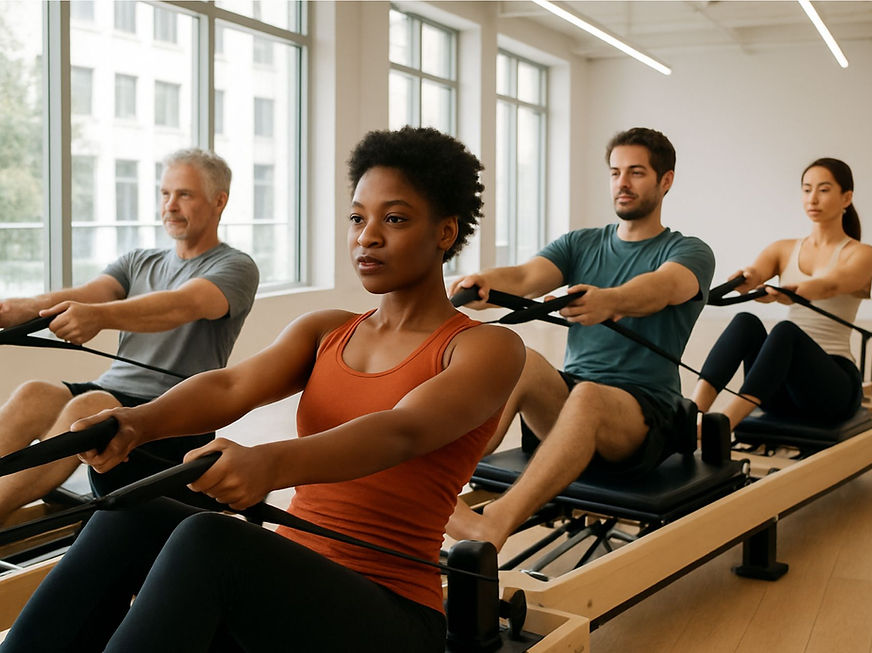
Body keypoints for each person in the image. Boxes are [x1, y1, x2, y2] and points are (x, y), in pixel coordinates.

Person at [0, 127, 524, 653]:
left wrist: (268, 464)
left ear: (445, 232)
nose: (367, 237)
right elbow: (232, 385)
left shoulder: (485, 347)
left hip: (393, 610)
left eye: (395, 219)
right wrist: (137, 423)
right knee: (133, 512)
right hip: (289, 582)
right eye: (356, 218)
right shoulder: (325, 330)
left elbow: (401, 431)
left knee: (211, 539)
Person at [446, 127, 715, 552]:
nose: (622, 183)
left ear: (666, 181)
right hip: (570, 403)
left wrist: (611, 300)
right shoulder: (581, 243)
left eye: (636, 172)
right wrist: (484, 282)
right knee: (518, 357)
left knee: (589, 395)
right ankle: (436, 480)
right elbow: (525, 277)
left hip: (646, 414)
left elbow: (665, 287)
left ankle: (494, 523)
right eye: (615, 172)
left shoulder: (689, 251)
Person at [0, 148, 259, 520]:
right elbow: (87, 295)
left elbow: (181, 305)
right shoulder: (138, 261)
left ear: (219, 201)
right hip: (115, 392)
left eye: (184, 194)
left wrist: (98, 316)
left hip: (172, 417)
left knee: (90, 407)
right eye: (165, 193)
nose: (170, 205)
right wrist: (16, 309)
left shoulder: (235, 266)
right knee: (34, 394)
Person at [691, 157, 872, 430]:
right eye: (807, 189)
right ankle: (691, 414)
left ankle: (724, 424)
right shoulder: (784, 248)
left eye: (824, 190)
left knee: (786, 331)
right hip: (781, 389)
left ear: (846, 197)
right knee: (745, 321)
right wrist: (746, 280)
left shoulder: (861, 254)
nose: (812, 198)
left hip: (834, 391)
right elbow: (756, 271)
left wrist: (795, 292)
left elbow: (832, 285)